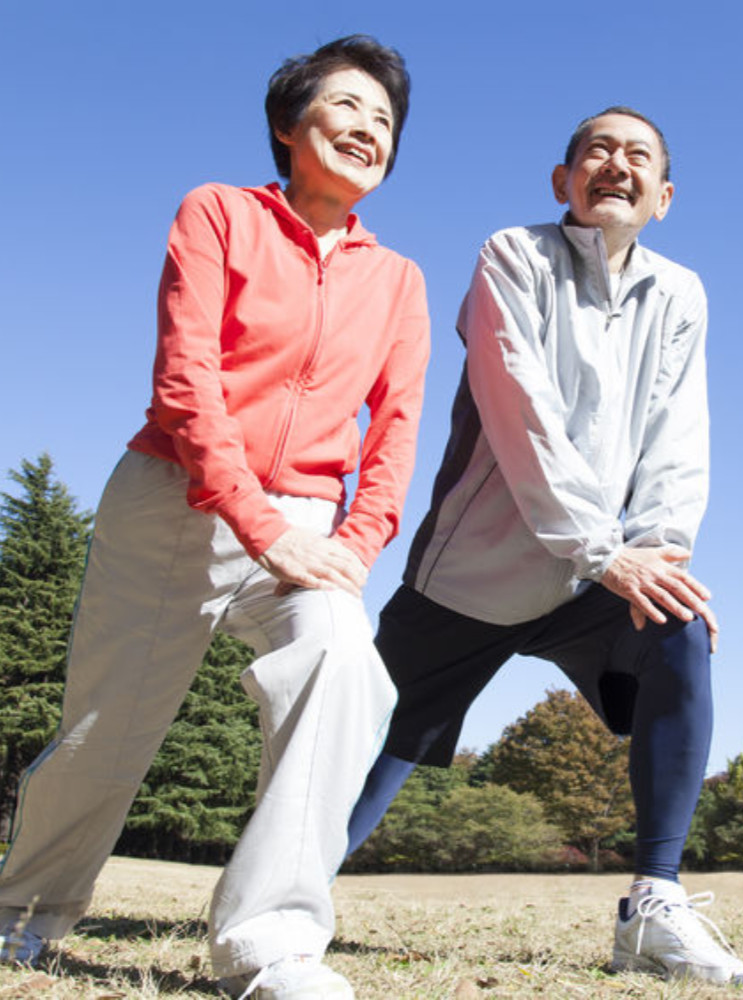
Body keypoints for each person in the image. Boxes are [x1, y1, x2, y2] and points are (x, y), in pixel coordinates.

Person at [0, 35, 429, 1000]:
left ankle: (272, 942)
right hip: (176, 499)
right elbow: (186, 379)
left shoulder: (398, 279)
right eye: (347, 108)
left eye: (386, 121)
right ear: (288, 126)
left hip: (309, 525)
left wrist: (356, 543)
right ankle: (24, 911)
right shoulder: (220, 214)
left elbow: (396, 428)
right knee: (107, 731)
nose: (369, 129)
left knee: (343, 665)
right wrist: (249, 514)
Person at [347, 107, 743, 986]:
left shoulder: (681, 292)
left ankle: (654, 903)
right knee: (367, 746)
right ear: (563, 180)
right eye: (596, 151)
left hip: (598, 573)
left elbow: (678, 437)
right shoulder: (512, 256)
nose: (616, 165)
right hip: (473, 574)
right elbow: (518, 411)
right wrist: (603, 551)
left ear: (665, 196)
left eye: (637, 155)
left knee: (679, 627)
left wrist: (658, 556)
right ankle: (283, 891)